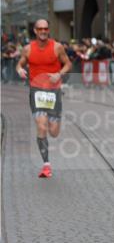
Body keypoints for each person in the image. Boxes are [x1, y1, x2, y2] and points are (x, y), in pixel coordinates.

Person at [15, 19, 72, 178]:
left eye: (45, 28)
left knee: (53, 132)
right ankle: (46, 165)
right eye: (40, 29)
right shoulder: (28, 49)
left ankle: (53, 122)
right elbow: (19, 64)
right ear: (35, 30)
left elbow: (68, 64)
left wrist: (58, 74)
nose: (43, 31)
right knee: (41, 126)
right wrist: (19, 70)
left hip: (54, 91)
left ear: (48, 30)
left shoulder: (57, 47)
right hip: (36, 91)